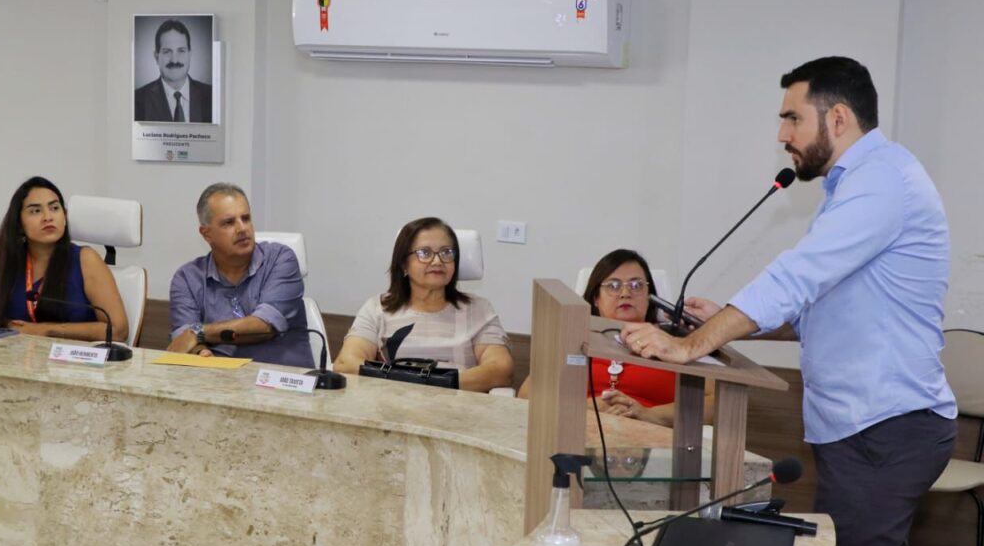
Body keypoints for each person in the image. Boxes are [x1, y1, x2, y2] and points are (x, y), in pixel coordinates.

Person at [621, 57, 957, 546]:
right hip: (872, 428)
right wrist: (722, 320)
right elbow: (815, 312)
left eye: (792, 118)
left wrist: (689, 346)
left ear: (838, 118)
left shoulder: (882, 182)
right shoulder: (855, 185)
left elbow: (793, 277)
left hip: (885, 429)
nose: (783, 135)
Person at [517, 248, 713, 427]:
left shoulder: (673, 343)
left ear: (650, 297)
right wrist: (586, 407)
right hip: (577, 431)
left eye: (636, 285)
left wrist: (650, 414)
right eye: (613, 285)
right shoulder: (573, 338)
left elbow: (716, 402)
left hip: (653, 438)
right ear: (596, 298)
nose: (625, 293)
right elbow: (526, 394)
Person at [333, 217, 514, 392]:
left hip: (457, 405)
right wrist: (411, 384)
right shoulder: (378, 308)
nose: (437, 261)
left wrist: (432, 384)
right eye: (424, 253)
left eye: (446, 252)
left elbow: (500, 369)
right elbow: (345, 363)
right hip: (390, 403)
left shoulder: (478, 309)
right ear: (404, 264)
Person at [167, 183, 313, 367]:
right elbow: (183, 339)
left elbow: (264, 326)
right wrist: (200, 350)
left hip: (280, 378)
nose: (242, 228)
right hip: (220, 378)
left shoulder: (280, 259)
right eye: (229, 222)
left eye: (246, 218)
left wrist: (198, 332)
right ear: (206, 234)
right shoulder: (187, 278)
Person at [0, 176, 129, 343]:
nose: (48, 217)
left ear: (65, 217)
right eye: (36, 211)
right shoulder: (0, 259)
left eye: (54, 208)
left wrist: (45, 330)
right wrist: (10, 327)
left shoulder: (86, 260)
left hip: (73, 357)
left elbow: (117, 331)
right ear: (19, 223)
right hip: (13, 356)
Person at [134, 18, 213, 123]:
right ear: (156, 57)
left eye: (181, 51)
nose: (174, 60)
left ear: (190, 54)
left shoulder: (212, 95)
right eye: (167, 51)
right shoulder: (137, 99)